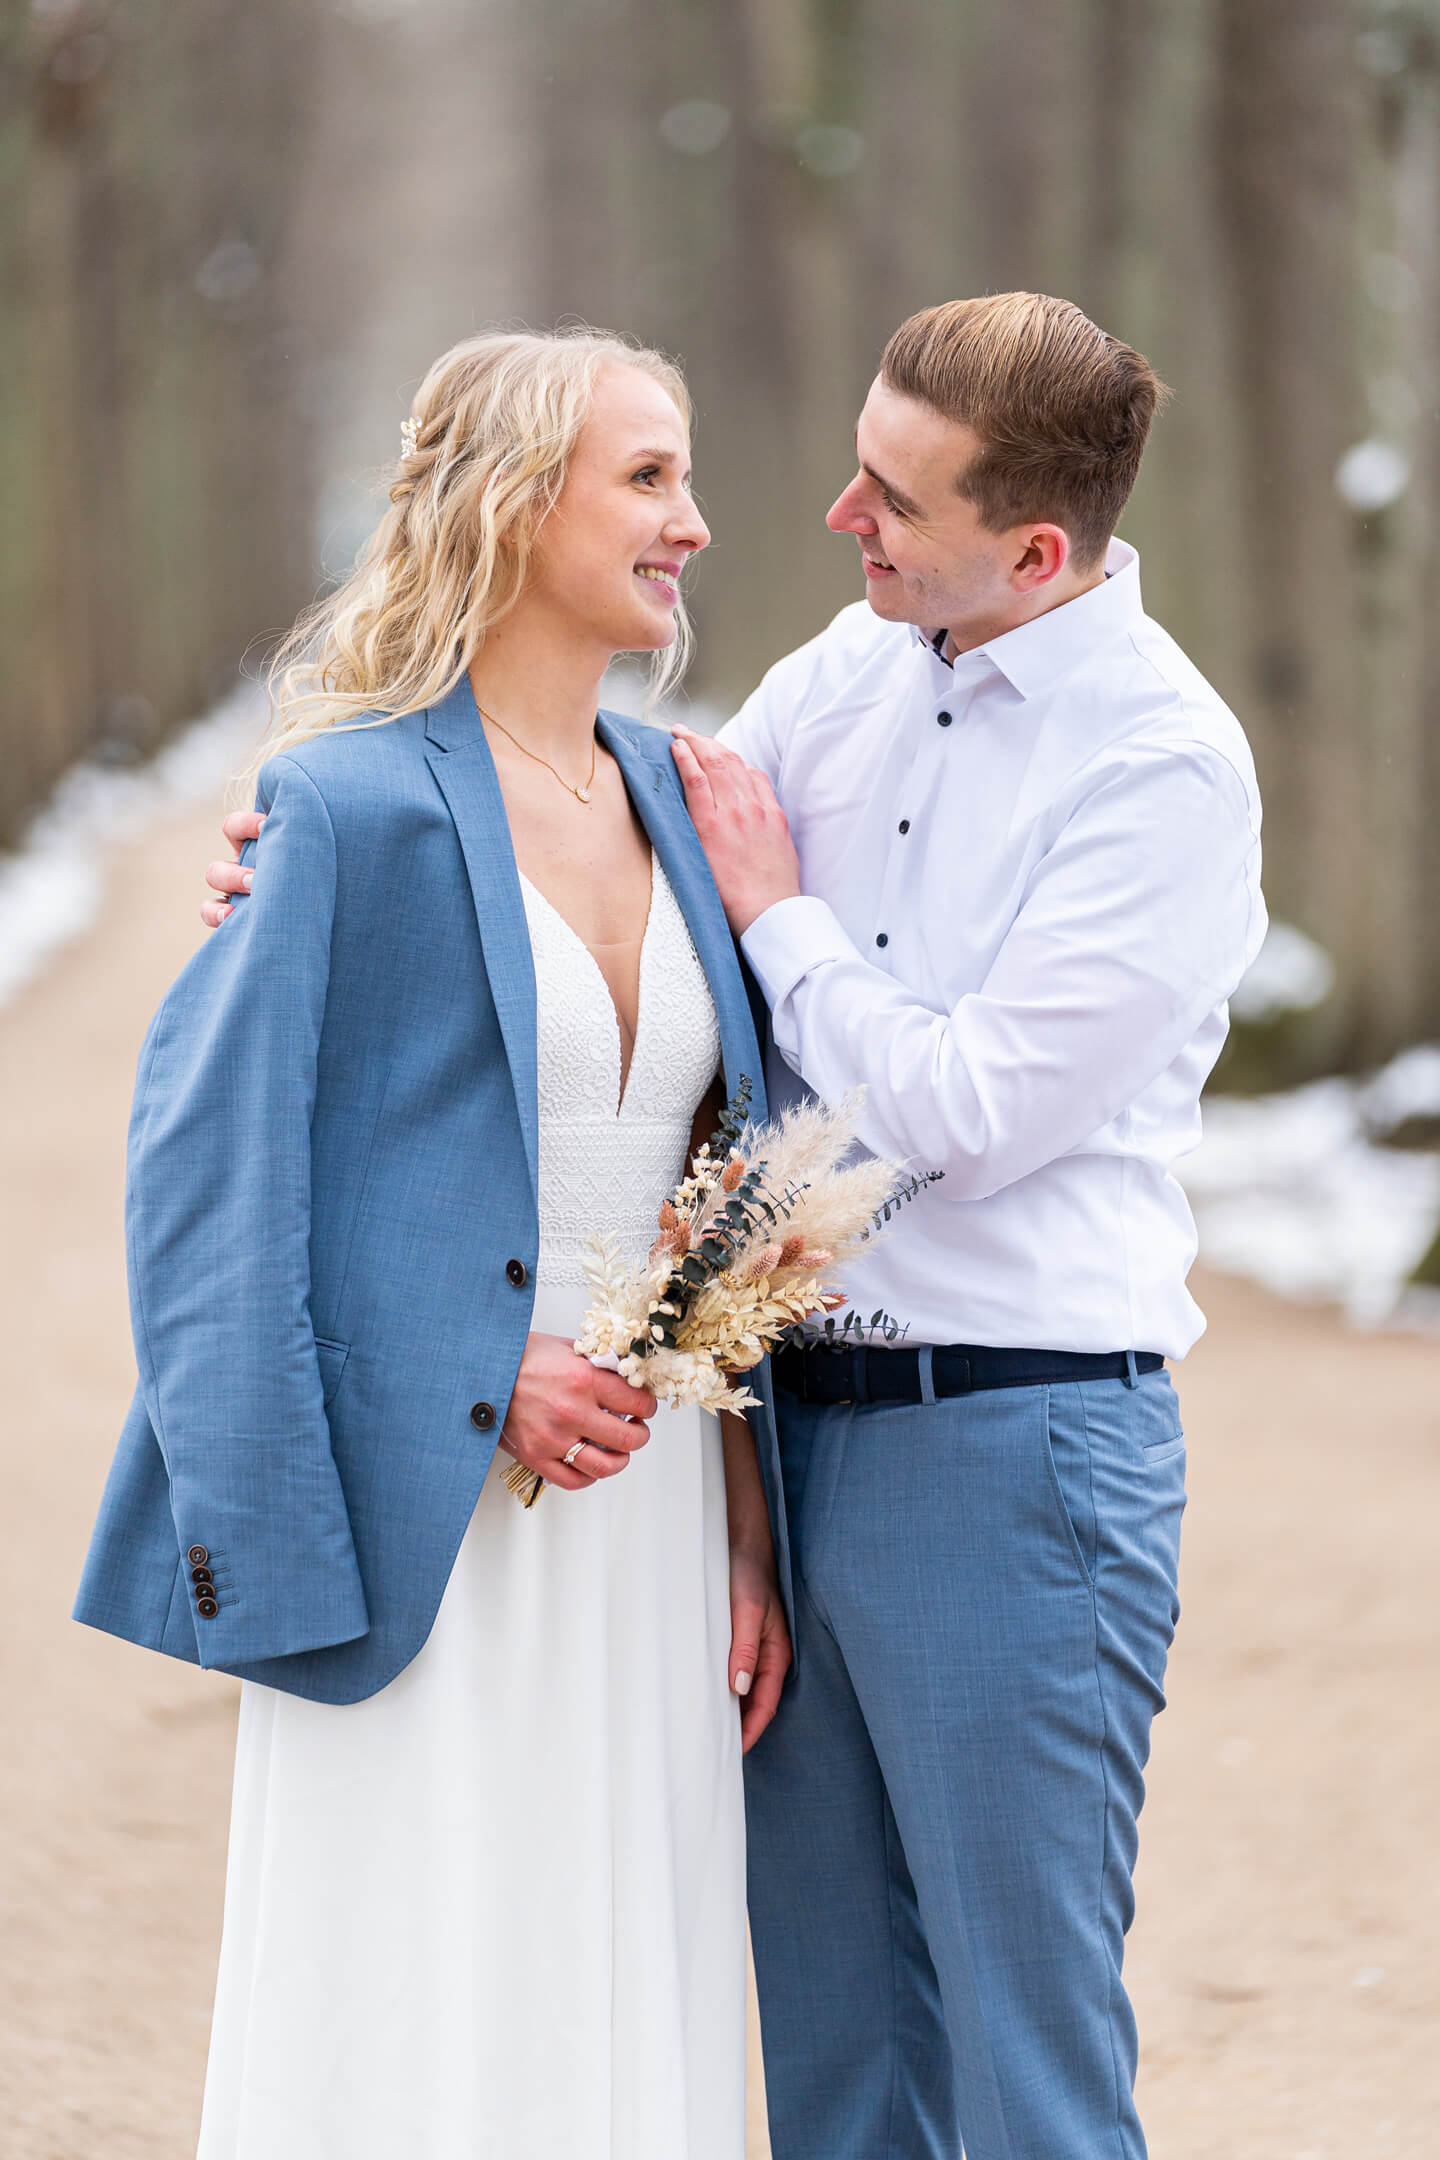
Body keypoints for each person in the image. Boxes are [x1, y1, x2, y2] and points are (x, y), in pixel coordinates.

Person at [202, 294, 1265, 2159]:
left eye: (895, 499)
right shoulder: (845, 678)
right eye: (859, 465)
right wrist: (310, 865)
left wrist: (786, 924)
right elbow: (610, 856)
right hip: (774, 1443)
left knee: (1024, 2061)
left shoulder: (1159, 765)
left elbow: (965, 1115)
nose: (842, 516)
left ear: (1034, 552)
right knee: (837, 2059)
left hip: (1011, 1449)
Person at [75, 328, 791, 2160]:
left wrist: (747, 1531)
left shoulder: (692, 806)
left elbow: (726, 1186)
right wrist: (479, 1385)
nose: (694, 521)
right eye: (648, 478)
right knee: (414, 1993)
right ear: (514, 502)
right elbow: (214, 1197)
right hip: (423, 1513)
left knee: (626, 1988)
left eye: (688, 475)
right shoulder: (341, 806)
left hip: (650, 1525)